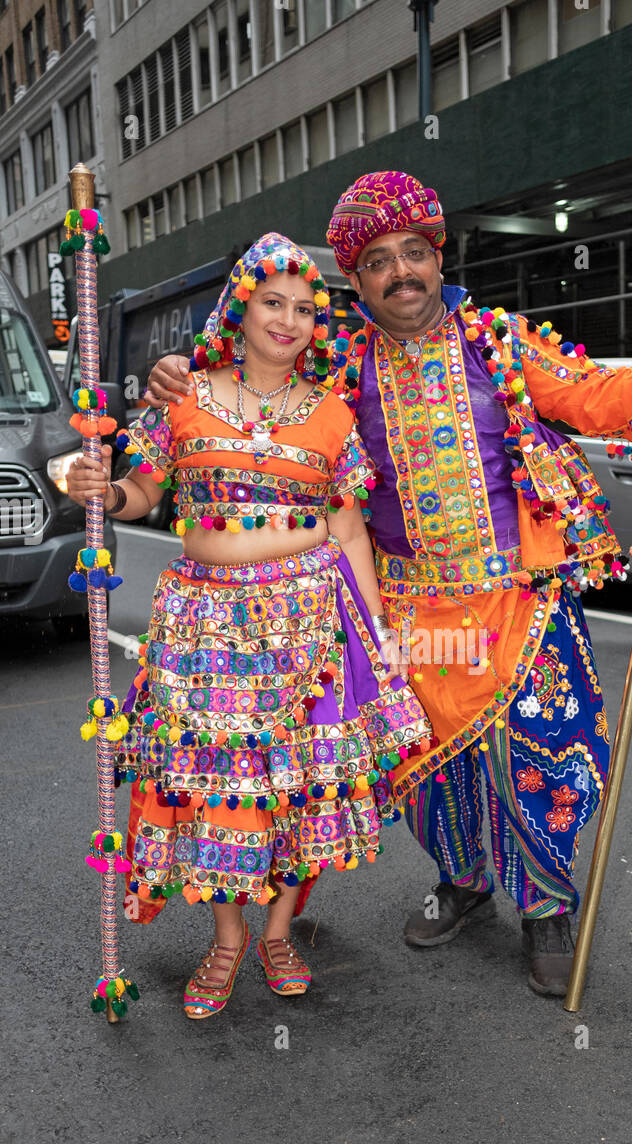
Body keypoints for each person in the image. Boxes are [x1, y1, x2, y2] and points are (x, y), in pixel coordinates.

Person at [147, 172, 632, 997]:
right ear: (357, 279)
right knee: (427, 768)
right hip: (404, 608)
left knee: (534, 756)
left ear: (438, 257)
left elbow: (593, 397)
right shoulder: (339, 365)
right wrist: (177, 374)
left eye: (414, 252)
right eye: (378, 261)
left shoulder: (498, 342)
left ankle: (547, 906)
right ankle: (466, 882)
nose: (400, 271)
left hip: (516, 596)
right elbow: (257, 396)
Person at [67, 233, 430, 1019]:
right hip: (204, 628)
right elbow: (138, 493)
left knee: (301, 789)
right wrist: (97, 486)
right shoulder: (185, 397)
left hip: (312, 628)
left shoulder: (332, 415)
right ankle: (227, 938)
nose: (290, 319)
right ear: (241, 306)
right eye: (274, 301)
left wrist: (380, 640)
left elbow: (351, 532)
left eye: (305, 308)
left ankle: (276, 932)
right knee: (216, 787)